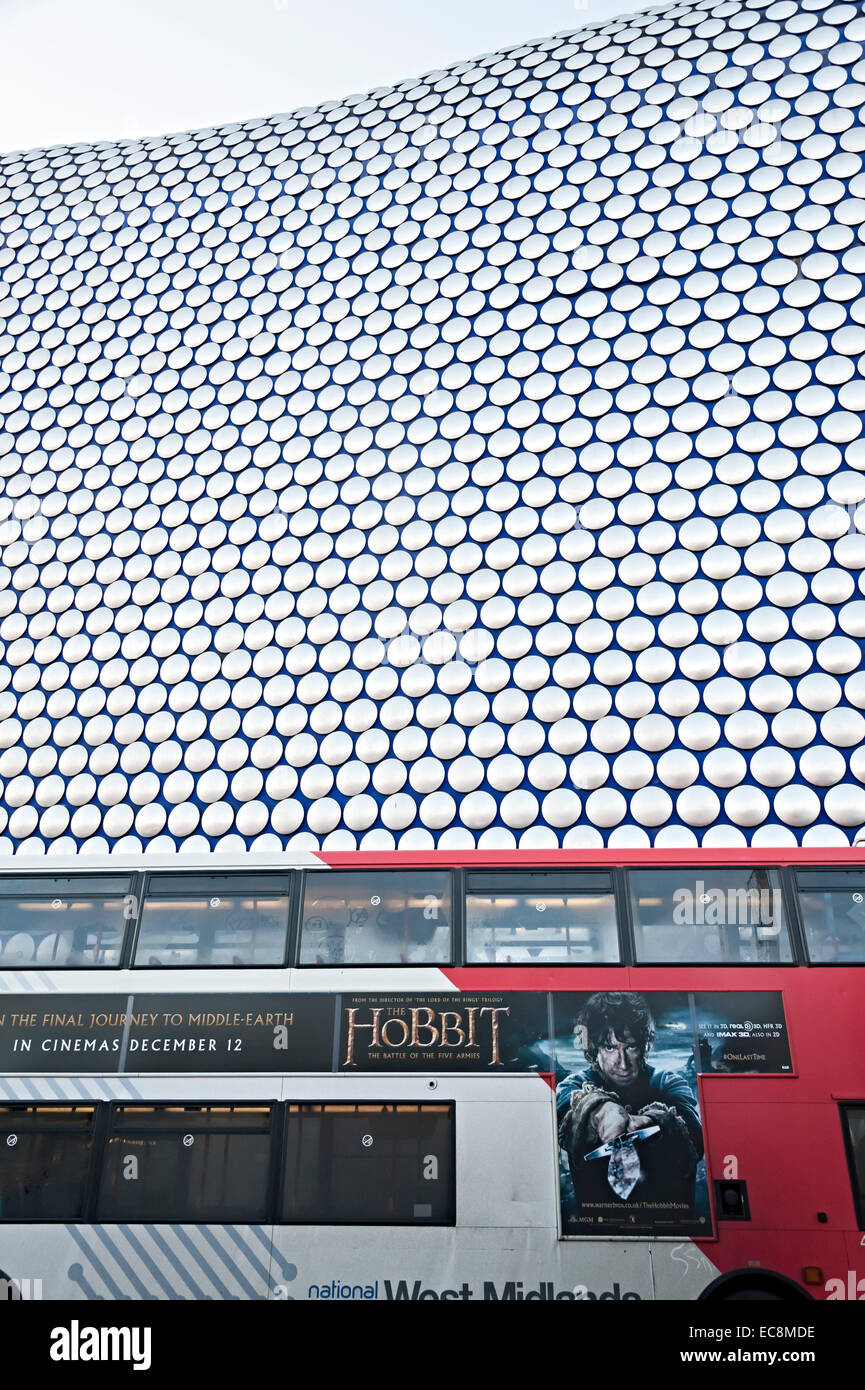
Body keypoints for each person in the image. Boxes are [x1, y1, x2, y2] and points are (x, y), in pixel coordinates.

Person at [557, 992, 703, 1226]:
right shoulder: (573, 1085)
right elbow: (565, 1109)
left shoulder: (668, 1082)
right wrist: (601, 1112)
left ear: (644, 1045)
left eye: (631, 1047)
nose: (622, 1063)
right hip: (597, 1230)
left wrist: (650, 1123)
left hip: (671, 1229)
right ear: (594, 1048)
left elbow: (693, 1134)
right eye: (610, 1048)